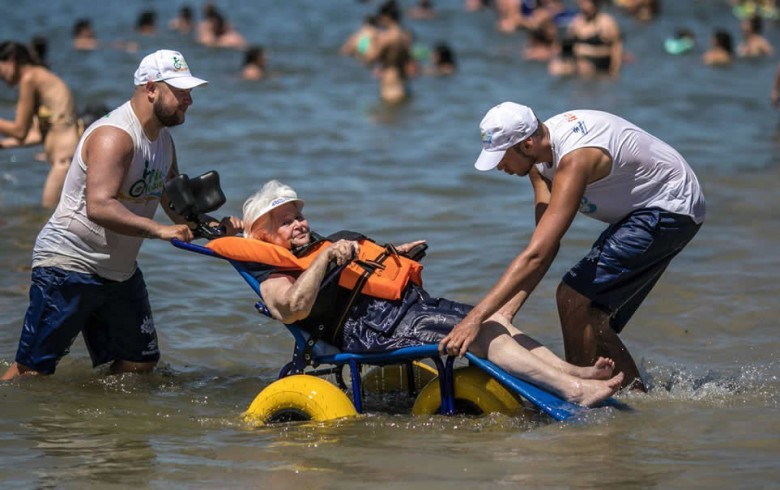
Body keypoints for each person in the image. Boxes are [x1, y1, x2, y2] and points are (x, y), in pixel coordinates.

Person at [227, 180, 624, 407]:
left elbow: (359, 271)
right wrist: (327, 258)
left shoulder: (315, 246)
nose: (298, 223)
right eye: (286, 221)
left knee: (495, 318)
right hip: (370, 331)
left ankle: (572, 371)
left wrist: (394, 254)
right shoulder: (274, 273)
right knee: (479, 334)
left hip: (408, 309)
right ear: (264, 236)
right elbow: (292, 310)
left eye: (298, 215)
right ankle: (573, 391)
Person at [1, 49, 239, 381]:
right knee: (31, 372)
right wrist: (158, 230)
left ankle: (101, 422)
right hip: (69, 264)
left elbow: (174, 203)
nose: (189, 101)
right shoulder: (114, 136)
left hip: (120, 272)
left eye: (189, 93)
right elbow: (99, 206)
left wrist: (214, 228)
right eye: (181, 92)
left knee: (139, 365)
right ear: (151, 88)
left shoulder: (164, 142)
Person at [440, 102, 706, 391]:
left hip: (671, 205)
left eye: (501, 158)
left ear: (527, 144)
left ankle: (581, 392)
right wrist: (506, 312)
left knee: (573, 299)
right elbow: (545, 244)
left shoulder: (575, 160)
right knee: (590, 316)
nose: (500, 167)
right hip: (642, 211)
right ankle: (637, 400)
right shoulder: (539, 164)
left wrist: (474, 319)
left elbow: (536, 255)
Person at [0, 41, 80, 208]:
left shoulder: (29, 78)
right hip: (68, 158)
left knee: (46, 216)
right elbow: (36, 135)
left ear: (12, 61)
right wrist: (4, 144)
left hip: (64, 160)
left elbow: (19, 130)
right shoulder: (39, 78)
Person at [566, 0, 623, 78]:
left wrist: (615, 69)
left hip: (599, 63)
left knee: (586, 69)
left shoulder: (606, 22)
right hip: (580, 63)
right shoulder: (576, 22)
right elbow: (569, 45)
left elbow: (616, 47)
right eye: (582, 3)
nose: (584, 6)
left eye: (587, 3)